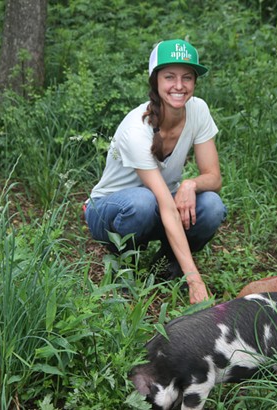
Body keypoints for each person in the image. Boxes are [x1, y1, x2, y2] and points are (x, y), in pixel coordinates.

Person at [85, 39, 227, 304]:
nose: (179, 86)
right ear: (155, 80)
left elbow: (214, 177)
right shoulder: (136, 129)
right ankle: (124, 265)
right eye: (169, 77)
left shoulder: (199, 110)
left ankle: (164, 264)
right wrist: (195, 279)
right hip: (109, 210)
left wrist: (190, 184)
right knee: (143, 201)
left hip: (157, 206)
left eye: (187, 77)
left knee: (213, 206)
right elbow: (164, 203)